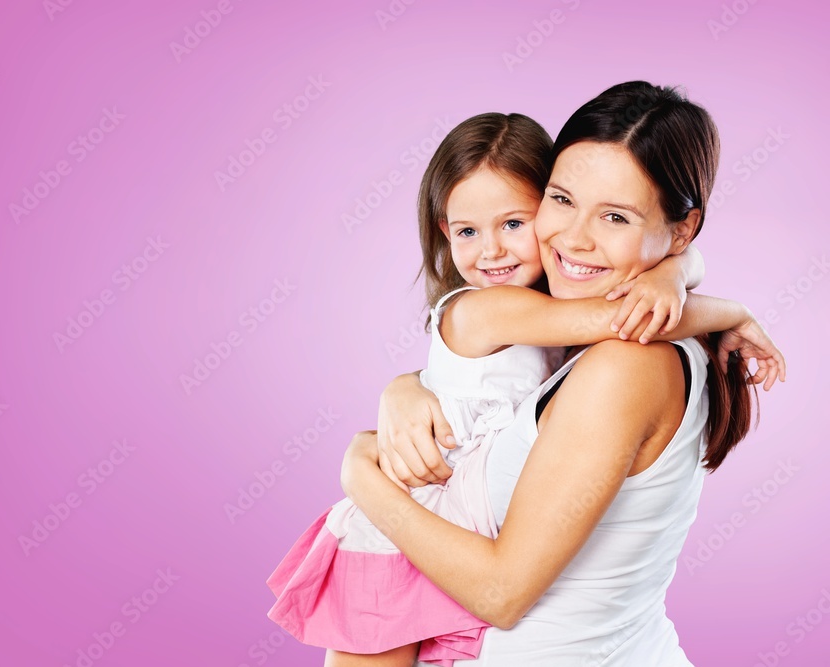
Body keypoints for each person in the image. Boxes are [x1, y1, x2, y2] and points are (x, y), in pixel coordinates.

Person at [269, 99, 784, 666]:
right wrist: (406, 386)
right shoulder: (567, 332)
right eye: (563, 201)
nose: (576, 238)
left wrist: (362, 477)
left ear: (682, 228)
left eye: (616, 216)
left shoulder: (627, 363)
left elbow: (502, 594)